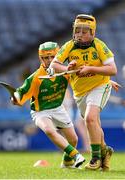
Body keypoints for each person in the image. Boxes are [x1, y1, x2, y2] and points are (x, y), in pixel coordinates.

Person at [49, 14, 117, 171]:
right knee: (94, 124)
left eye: (84, 31)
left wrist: (90, 69)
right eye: (77, 30)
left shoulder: (99, 46)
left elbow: (112, 69)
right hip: (79, 93)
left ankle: (95, 159)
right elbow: (54, 65)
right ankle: (104, 151)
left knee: (90, 119)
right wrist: (68, 68)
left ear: (93, 32)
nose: (80, 34)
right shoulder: (69, 46)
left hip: (100, 85)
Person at [11, 41, 85, 168]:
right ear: (41, 58)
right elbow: (20, 95)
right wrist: (15, 99)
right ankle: (76, 155)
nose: (49, 60)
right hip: (40, 112)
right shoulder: (35, 78)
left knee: (73, 139)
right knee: (49, 130)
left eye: (52, 57)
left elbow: (83, 80)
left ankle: (67, 163)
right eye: (45, 58)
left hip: (58, 108)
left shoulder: (65, 72)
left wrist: (105, 83)